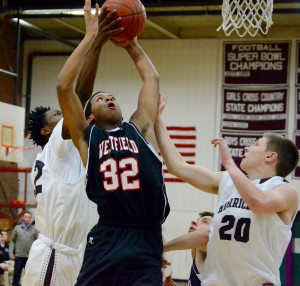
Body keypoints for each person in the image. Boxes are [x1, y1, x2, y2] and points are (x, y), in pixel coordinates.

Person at [56, 1, 170, 285]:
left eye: (112, 97)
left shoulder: (140, 128)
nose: (108, 98)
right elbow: (63, 87)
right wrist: (91, 38)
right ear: (90, 116)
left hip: (147, 235)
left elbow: (151, 78)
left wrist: (131, 44)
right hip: (108, 235)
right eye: (99, 98)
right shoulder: (87, 137)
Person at [21, 8, 123, 286]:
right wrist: (95, 41)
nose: (65, 113)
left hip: (71, 253)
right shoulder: (57, 143)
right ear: (45, 130)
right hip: (54, 254)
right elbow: (77, 96)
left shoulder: (68, 151)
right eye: (58, 114)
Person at [155, 96, 299, 285]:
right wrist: (157, 120)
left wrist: (230, 164)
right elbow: (178, 166)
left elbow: (259, 203)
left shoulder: (285, 190)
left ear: (271, 156)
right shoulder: (228, 181)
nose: (246, 148)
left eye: (255, 144)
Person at [163, 212, 213, 286]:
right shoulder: (195, 252)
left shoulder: (216, 258)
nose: (193, 221)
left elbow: (205, 236)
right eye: (197, 220)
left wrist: (156, 250)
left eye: (205, 221)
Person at [9, 211, 39, 286]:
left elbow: (38, 242)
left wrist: (36, 255)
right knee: (16, 277)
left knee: (28, 278)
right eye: (25, 217)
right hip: (18, 257)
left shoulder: (34, 230)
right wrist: (11, 253)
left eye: (29, 217)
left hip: (29, 258)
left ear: (31, 219)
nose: (27, 218)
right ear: (23, 218)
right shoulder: (17, 228)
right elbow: (12, 241)